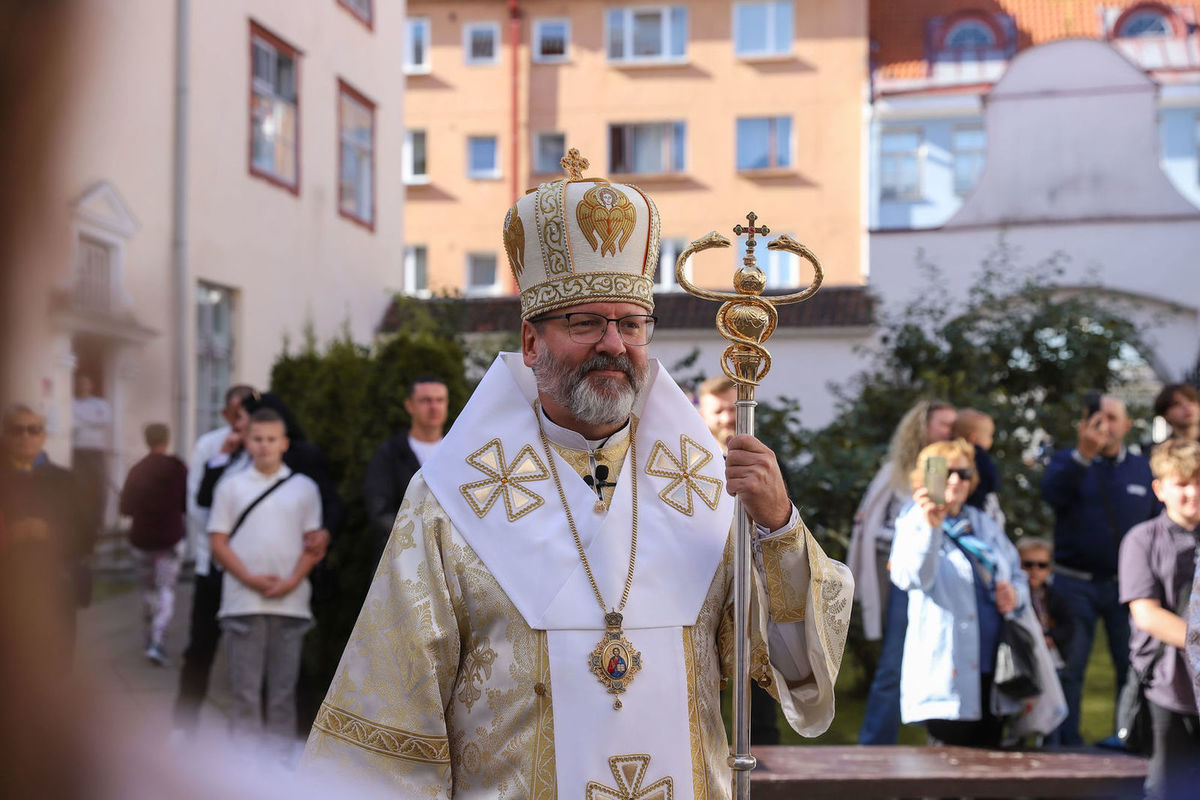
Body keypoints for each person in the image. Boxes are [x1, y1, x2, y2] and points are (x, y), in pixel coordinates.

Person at [303, 153, 853, 795]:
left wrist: (778, 527)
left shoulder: (704, 490)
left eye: (631, 323)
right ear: (531, 343)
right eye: (585, 322)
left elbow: (790, 669)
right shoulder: (450, 504)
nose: (614, 344)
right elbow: (390, 723)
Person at [891, 438, 1028, 748]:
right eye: (947, 472)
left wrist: (1015, 596)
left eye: (964, 474)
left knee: (989, 765)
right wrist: (931, 528)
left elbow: (1017, 573)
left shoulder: (982, 522)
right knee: (946, 770)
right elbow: (910, 578)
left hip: (993, 663)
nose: (956, 481)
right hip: (946, 666)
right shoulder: (913, 519)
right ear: (927, 476)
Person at [1041, 393, 1158, 745]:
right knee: (1070, 667)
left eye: (1111, 417)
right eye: (1096, 417)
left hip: (1130, 588)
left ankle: (1127, 739)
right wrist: (1083, 455)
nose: (1103, 425)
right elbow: (1052, 495)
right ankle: (1064, 744)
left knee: (1133, 666)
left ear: (1126, 425)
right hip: (1073, 584)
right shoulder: (1068, 462)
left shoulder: (1141, 467)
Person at [209, 408, 323, 758]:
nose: (264, 446)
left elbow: (313, 543)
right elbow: (218, 541)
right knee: (244, 691)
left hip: (289, 604)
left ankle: (276, 768)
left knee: (282, 692)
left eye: (271, 439)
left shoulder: (304, 488)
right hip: (244, 603)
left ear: (284, 443)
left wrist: (290, 582)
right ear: (246, 442)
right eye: (257, 439)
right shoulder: (231, 487)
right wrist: (249, 578)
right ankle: (244, 768)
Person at [849, 399, 956, 744]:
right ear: (922, 428)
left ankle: (944, 743)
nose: (950, 431)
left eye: (954, 425)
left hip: (951, 580)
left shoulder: (953, 467)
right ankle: (874, 748)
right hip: (909, 580)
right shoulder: (898, 471)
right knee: (894, 664)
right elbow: (871, 525)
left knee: (948, 661)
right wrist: (908, 538)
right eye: (943, 424)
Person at [696, 374, 782, 745]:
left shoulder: (763, 460)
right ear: (703, 412)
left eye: (735, 409)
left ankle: (762, 744)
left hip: (754, 576)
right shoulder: (685, 462)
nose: (729, 419)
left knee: (757, 661)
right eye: (720, 411)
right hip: (701, 578)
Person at [1118, 439, 1200, 798]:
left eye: (1199, 482)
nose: (1192, 492)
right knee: (1169, 789)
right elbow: (1146, 613)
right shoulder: (1142, 540)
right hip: (1170, 688)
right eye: (1182, 483)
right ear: (1160, 488)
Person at [173, 383, 256, 736]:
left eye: (248, 411)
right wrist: (223, 543)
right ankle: (184, 725)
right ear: (226, 414)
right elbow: (196, 504)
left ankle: (247, 736)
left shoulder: (264, 443)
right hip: (214, 564)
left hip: (253, 568)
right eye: (236, 413)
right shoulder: (211, 445)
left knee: (249, 656)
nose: (242, 420)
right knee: (200, 647)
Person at [0, 404, 88, 655]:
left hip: (53, 590)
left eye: (33, 429)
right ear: (5, 436)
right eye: (17, 430)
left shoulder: (65, 481)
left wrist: (49, 532)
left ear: (43, 436)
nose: (25, 436)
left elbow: (85, 535)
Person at [119, 422, 187, 666]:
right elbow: (187, 502)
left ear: (146, 439)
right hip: (169, 540)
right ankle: (158, 641)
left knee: (148, 590)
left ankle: (150, 631)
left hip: (142, 541)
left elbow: (124, 508)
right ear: (167, 440)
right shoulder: (178, 468)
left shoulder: (137, 470)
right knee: (166, 590)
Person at [363, 376, 448, 564]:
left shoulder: (456, 451)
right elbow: (379, 510)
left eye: (439, 400)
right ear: (409, 406)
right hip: (402, 558)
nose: (434, 407)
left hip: (449, 559)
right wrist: (420, 537)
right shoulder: (389, 453)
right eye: (426, 400)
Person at [71, 372, 111, 585]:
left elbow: (103, 420)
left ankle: (98, 526)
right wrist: (87, 422)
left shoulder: (100, 404)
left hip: (95, 451)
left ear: (91, 384)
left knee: (99, 490)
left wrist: (82, 421)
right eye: (80, 382)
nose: (83, 385)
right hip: (78, 451)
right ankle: (83, 533)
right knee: (79, 492)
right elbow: (72, 424)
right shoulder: (71, 403)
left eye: (86, 382)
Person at [952, 408, 1004, 527]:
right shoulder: (980, 456)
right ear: (973, 438)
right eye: (989, 436)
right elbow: (992, 480)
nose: (991, 440)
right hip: (978, 506)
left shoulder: (949, 452)